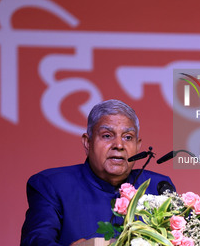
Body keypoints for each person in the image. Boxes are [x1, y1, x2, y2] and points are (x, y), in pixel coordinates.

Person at [21, 99, 175, 246]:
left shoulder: (158, 187)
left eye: (128, 137)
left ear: (138, 145)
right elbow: (35, 241)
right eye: (107, 136)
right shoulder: (52, 186)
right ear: (87, 143)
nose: (119, 145)